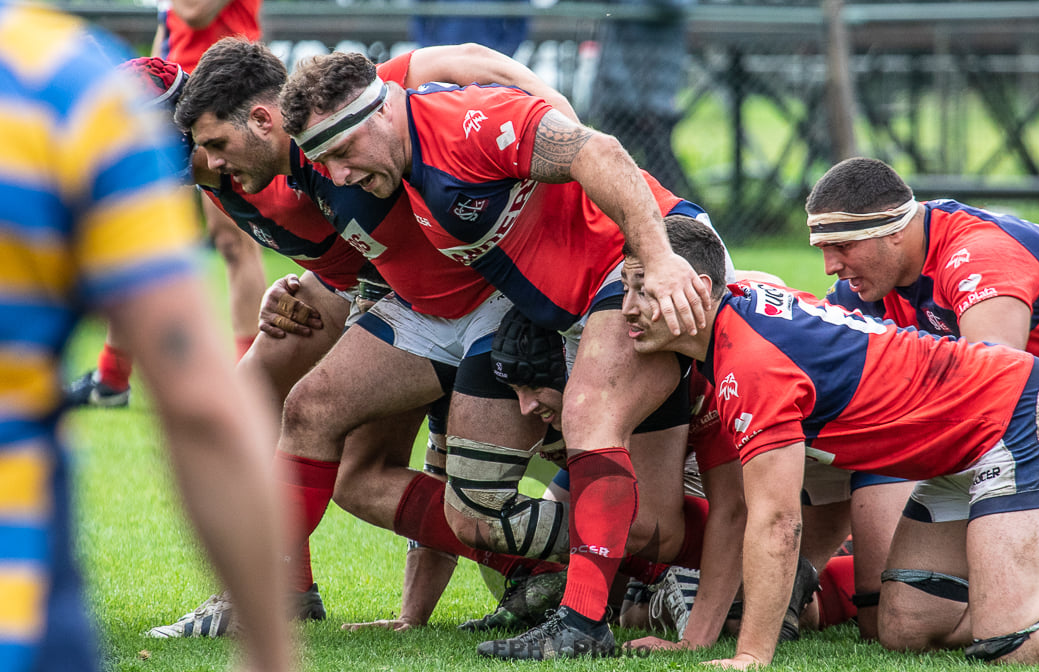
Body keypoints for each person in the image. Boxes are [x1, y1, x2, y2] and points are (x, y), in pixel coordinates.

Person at [280, 53, 715, 659]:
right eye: (323, 162)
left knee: (593, 422)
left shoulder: (466, 124)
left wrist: (661, 259)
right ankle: (653, 559)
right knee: (482, 515)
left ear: (378, 114)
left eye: (341, 152)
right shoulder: (399, 166)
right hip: (564, 311)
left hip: (643, 257)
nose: (339, 175)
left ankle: (584, 625)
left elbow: (601, 151)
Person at [147, 37, 585, 637]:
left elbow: (474, 64)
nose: (209, 165)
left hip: (485, 299)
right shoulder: (252, 166)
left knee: (513, 478)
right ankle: (279, 595)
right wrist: (306, 283)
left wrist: (565, 136)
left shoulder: (352, 111)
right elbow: (360, 248)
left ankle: (621, 560)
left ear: (260, 119)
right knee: (310, 428)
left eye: (211, 148)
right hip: (403, 301)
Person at [622, 213, 1039, 668]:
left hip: (1016, 416)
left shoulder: (751, 363)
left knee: (1012, 644)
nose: (626, 309)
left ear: (696, 287)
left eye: (643, 288)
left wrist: (752, 656)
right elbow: (733, 509)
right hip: (958, 446)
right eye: (624, 289)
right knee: (908, 627)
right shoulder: (735, 318)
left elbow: (778, 521)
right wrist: (696, 642)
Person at [0, 2, 292, 670]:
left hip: (222, 95)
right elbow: (198, 407)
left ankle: (124, 375)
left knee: (234, 247)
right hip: (21, 592)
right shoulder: (65, 84)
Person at [813, 157, 1039, 555]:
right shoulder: (876, 277)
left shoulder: (979, 255)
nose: (830, 266)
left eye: (842, 246)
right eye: (824, 248)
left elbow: (996, 387)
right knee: (910, 604)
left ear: (893, 231)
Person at [485, 306, 747, 651]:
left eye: (534, 386)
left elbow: (733, 510)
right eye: (517, 390)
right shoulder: (568, 402)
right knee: (631, 609)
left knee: (738, 606)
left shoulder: (703, 382)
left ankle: (804, 573)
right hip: (646, 458)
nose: (525, 408)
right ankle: (649, 576)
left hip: (778, 458)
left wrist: (693, 643)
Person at [67, 0, 266, 408]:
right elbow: (169, 30)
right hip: (168, 102)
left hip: (219, 103)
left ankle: (250, 376)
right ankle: (111, 378)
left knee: (235, 243)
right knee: (143, 245)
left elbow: (195, 13)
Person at [588, 0, 696, 200]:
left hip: (654, 98)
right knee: (608, 168)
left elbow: (679, 7)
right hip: (616, 98)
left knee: (662, 175)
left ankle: (671, 223)